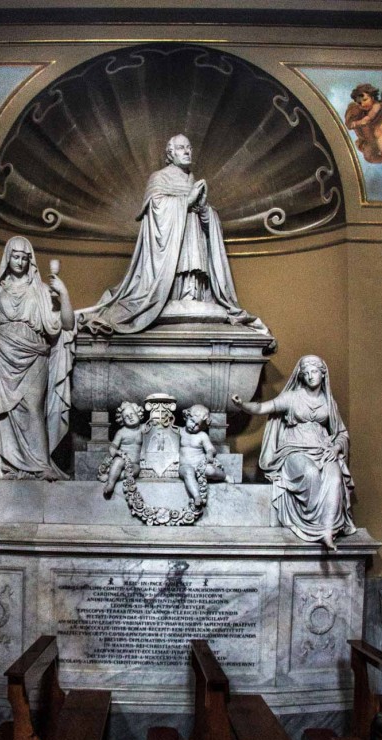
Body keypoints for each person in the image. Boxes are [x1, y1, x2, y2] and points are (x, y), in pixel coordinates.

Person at [78, 134, 271, 338]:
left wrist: (204, 207)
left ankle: (191, 293)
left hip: (194, 244)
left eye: (189, 147)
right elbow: (156, 212)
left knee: (194, 237)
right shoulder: (159, 177)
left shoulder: (192, 179)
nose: (187, 151)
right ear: (170, 153)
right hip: (170, 255)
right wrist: (186, 202)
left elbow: (206, 224)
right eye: (181, 148)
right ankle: (170, 294)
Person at [0, 236, 75, 480]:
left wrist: (64, 294)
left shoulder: (40, 290)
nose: (19, 261)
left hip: (33, 354)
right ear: (8, 258)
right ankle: (7, 465)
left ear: (31, 260)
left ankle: (41, 464)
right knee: (5, 414)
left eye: (24, 257)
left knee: (33, 407)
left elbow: (66, 324)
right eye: (15, 256)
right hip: (0, 354)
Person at [232, 355, 356, 551]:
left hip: (323, 450)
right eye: (306, 373)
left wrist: (336, 448)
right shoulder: (292, 397)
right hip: (294, 449)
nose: (310, 376)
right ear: (301, 376)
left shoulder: (328, 402)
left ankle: (327, 530)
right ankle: (311, 523)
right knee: (310, 473)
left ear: (323, 375)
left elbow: (340, 433)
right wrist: (242, 405)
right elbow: (263, 407)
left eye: (314, 371)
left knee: (334, 477)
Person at [179, 404, 230, 507]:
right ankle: (197, 496)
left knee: (210, 470)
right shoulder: (179, 432)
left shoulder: (202, 436)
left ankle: (224, 476)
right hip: (184, 465)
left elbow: (210, 448)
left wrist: (210, 454)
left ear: (203, 426)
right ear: (187, 417)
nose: (193, 426)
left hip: (199, 464)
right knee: (188, 473)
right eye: (192, 421)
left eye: (198, 425)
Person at [345, 83, 382, 167]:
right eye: (359, 103)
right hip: (370, 141)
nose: (362, 104)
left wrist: (358, 123)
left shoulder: (377, 106)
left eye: (365, 100)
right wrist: (353, 123)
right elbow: (349, 125)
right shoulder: (358, 110)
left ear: (372, 97)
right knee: (369, 157)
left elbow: (369, 118)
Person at [102, 402, 145, 498]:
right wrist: (118, 452)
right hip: (123, 460)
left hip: (135, 464)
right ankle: (110, 483)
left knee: (131, 473)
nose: (130, 417)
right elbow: (112, 447)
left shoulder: (143, 428)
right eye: (126, 417)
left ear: (138, 414)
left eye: (132, 414)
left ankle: (111, 476)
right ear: (122, 420)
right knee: (118, 461)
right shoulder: (121, 432)